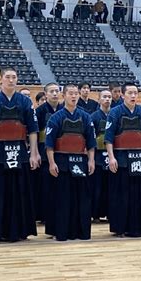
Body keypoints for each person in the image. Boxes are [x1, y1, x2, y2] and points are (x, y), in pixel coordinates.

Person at [0, 67, 40, 242]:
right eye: (8, 77)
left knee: (20, 192)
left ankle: (20, 230)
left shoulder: (25, 102)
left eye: (14, 77)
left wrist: (33, 154)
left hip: (19, 151)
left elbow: (33, 131)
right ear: (1, 80)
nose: (11, 80)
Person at [104, 83, 141, 237]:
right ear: (122, 95)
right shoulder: (115, 113)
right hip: (121, 159)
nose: (133, 96)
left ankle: (140, 227)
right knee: (122, 195)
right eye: (130, 93)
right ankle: (121, 227)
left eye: (135, 93)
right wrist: (111, 157)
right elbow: (108, 138)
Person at [45, 84, 96, 241]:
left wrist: (91, 160)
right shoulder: (55, 118)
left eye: (76, 94)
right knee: (62, 198)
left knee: (81, 199)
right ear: (64, 96)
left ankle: (81, 232)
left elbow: (91, 142)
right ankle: (61, 231)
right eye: (71, 94)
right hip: (61, 162)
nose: (74, 96)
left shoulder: (86, 117)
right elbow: (49, 144)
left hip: (81, 161)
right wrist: (52, 163)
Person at [34, 83, 63, 224]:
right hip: (44, 152)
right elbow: (34, 133)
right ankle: (45, 216)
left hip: (61, 152)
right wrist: (35, 153)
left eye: (57, 91)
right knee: (45, 186)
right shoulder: (39, 111)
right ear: (45, 95)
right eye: (52, 91)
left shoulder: (64, 109)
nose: (55, 94)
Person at [90, 90, 112, 222]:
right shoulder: (93, 117)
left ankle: (110, 212)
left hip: (112, 156)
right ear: (99, 99)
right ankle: (96, 214)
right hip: (98, 156)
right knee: (97, 187)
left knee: (111, 187)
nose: (107, 99)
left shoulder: (115, 115)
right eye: (104, 97)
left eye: (109, 97)